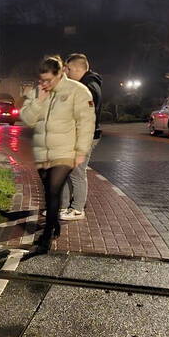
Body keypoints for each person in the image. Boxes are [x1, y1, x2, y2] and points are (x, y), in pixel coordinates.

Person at [19, 56, 96, 253]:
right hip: (43, 151)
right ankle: (55, 225)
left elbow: (86, 123)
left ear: (60, 73)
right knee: (48, 191)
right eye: (42, 79)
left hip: (65, 150)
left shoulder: (78, 91)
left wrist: (81, 150)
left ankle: (46, 237)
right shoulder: (38, 91)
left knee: (54, 190)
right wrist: (39, 101)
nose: (45, 84)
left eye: (49, 80)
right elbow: (26, 118)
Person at [60, 53, 103, 222]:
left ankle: (77, 209)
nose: (66, 72)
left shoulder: (89, 86)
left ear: (78, 68)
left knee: (77, 172)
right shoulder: (83, 84)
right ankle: (64, 207)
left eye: (68, 69)